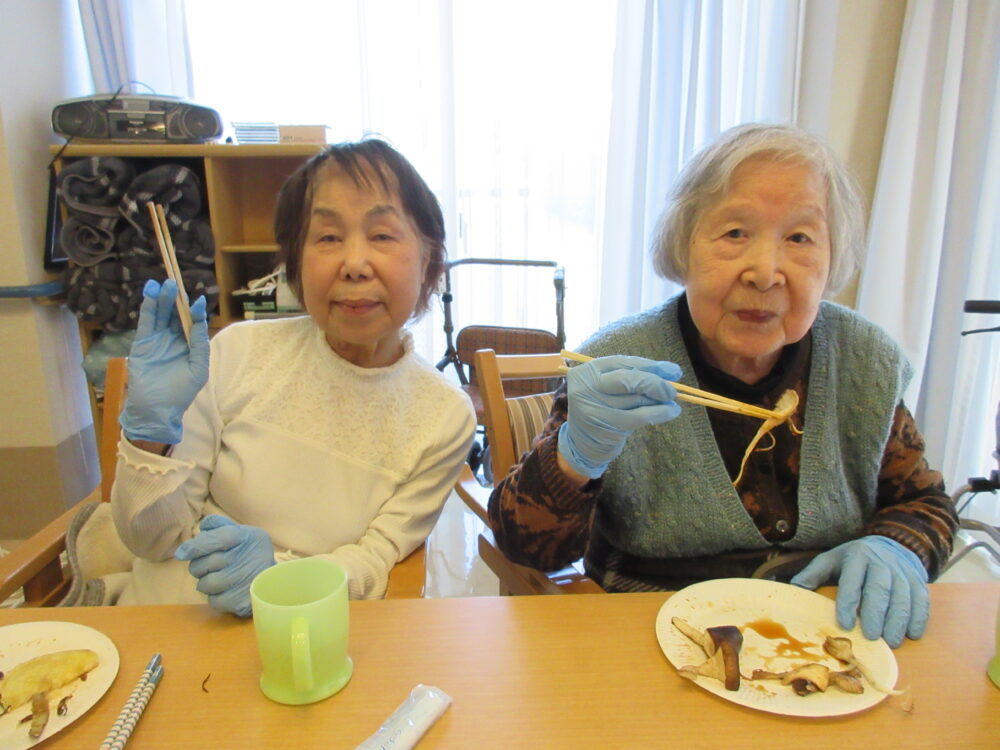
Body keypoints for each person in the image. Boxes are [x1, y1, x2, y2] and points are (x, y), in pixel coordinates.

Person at [488, 123, 957, 648]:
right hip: (650, 640)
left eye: (799, 238)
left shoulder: (864, 362)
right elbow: (523, 546)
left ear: (832, 260)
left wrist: (897, 547)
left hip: (821, 642)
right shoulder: (618, 363)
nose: (765, 272)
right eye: (735, 233)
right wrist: (574, 459)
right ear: (684, 247)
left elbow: (926, 504)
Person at [110, 139, 476, 614]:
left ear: (429, 259)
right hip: (168, 623)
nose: (355, 264)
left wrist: (281, 580)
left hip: (303, 635)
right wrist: (148, 441)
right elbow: (151, 541)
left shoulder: (443, 416)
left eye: (382, 235)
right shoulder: (236, 353)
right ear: (295, 262)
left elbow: (375, 558)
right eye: (327, 238)